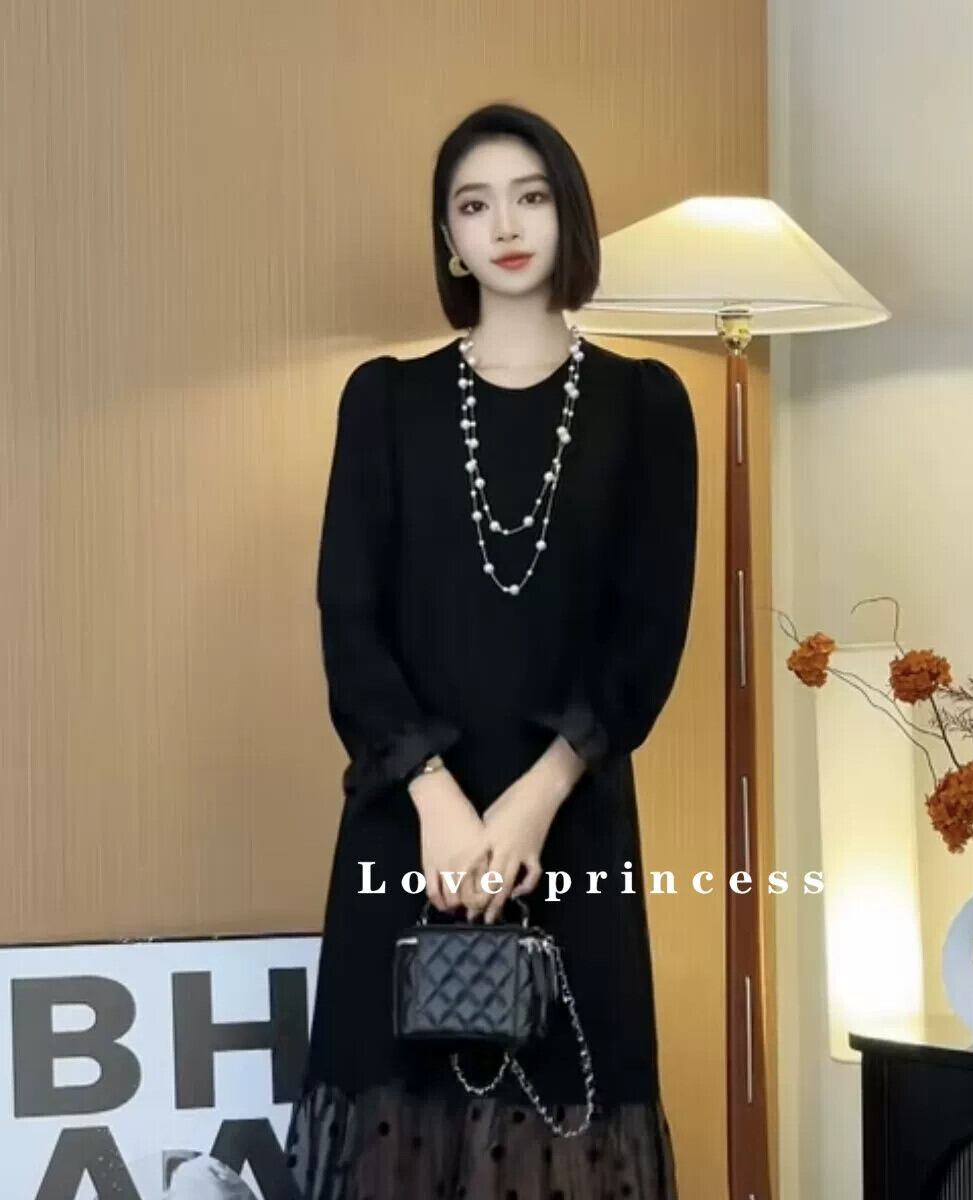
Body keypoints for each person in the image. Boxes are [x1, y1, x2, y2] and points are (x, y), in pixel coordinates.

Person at [283, 101, 698, 1200]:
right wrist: (434, 797)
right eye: (473, 205)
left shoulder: (647, 405)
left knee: (570, 1138)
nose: (505, 226)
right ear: (448, 239)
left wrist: (534, 800)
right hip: (405, 824)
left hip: (570, 825)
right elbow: (348, 620)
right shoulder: (384, 400)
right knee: (395, 1144)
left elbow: (647, 631)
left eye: (530, 196)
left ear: (569, 214)